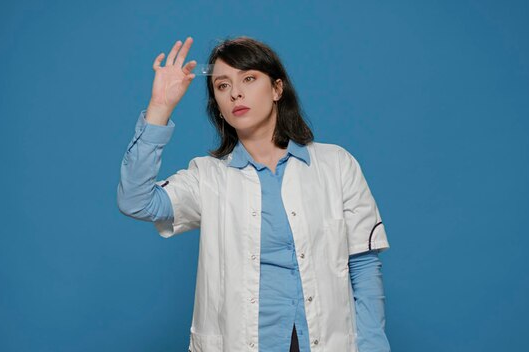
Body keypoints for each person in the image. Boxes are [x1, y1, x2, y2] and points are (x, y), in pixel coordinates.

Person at [117, 36, 391, 352]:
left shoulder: (336, 165)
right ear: (218, 107)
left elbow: (364, 266)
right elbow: (136, 201)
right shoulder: (207, 176)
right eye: (222, 86)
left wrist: (373, 347)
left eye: (248, 78)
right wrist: (160, 107)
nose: (236, 92)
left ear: (277, 89)